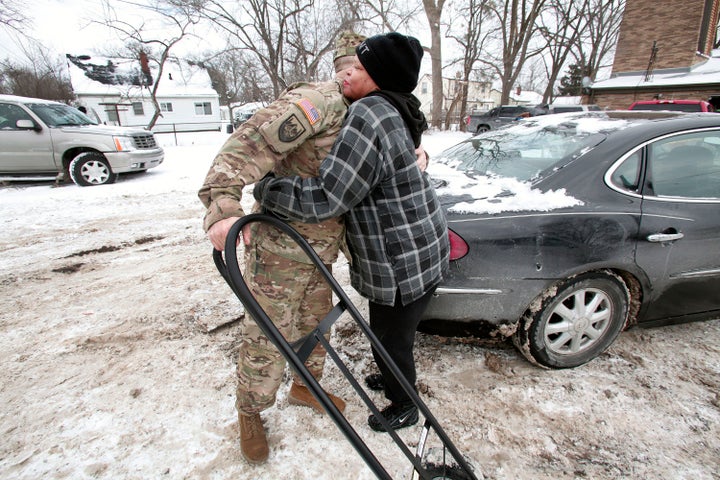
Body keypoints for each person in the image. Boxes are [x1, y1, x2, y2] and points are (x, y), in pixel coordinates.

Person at [253, 32, 450, 433]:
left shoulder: (369, 114)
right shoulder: (398, 106)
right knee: (394, 335)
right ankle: (397, 378)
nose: (346, 73)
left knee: (391, 339)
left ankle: (404, 403)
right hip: (422, 245)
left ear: (379, 74)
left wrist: (267, 188)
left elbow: (329, 195)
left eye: (358, 67)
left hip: (399, 258)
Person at [198, 31, 366, 465]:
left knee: (317, 322)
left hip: (322, 248)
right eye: (354, 68)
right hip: (279, 249)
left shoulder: (365, 110)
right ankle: (250, 411)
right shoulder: (319, 102)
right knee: (267, 335)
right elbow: (248, 143)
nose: (356, 76)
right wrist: (222, 206)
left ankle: (305, 386)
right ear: (345, 69)